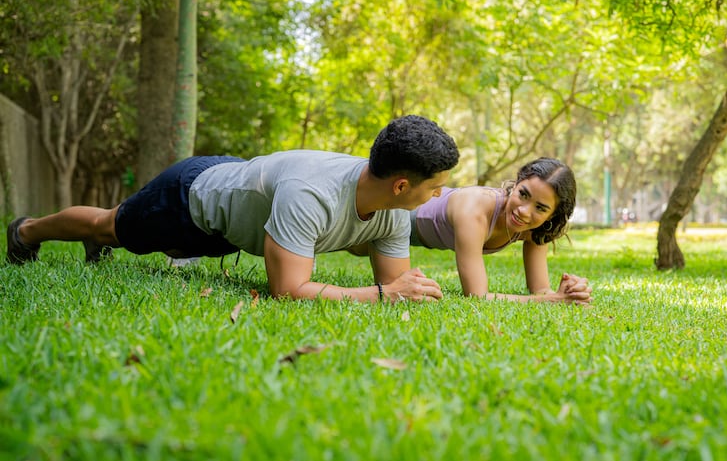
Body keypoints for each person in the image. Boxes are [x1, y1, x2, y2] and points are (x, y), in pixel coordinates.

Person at [6, 115, 460, 303]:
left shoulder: (395, 208)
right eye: (436, 187)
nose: (438, 195)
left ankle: (79, 238)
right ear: (402, 184)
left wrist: (397, 289)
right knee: (110, 226)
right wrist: (381, 295)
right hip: (193, 197)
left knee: (113, 230)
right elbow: (288, 289)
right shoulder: (312, 192)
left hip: (240, 193)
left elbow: (393, 280)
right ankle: (26, 231)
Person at [348, 157, 592, 304]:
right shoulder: (475, 209)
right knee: (343, 241)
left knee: (353, 246)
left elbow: (540, 290)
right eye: (523, 194)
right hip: (392, 212)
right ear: (516, 183)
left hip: (397, 237)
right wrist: (552, 301)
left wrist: (569, 292)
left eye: (540, 208)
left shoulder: (535, 229)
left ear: (553, 215)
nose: (524, 211)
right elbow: (477, 296)